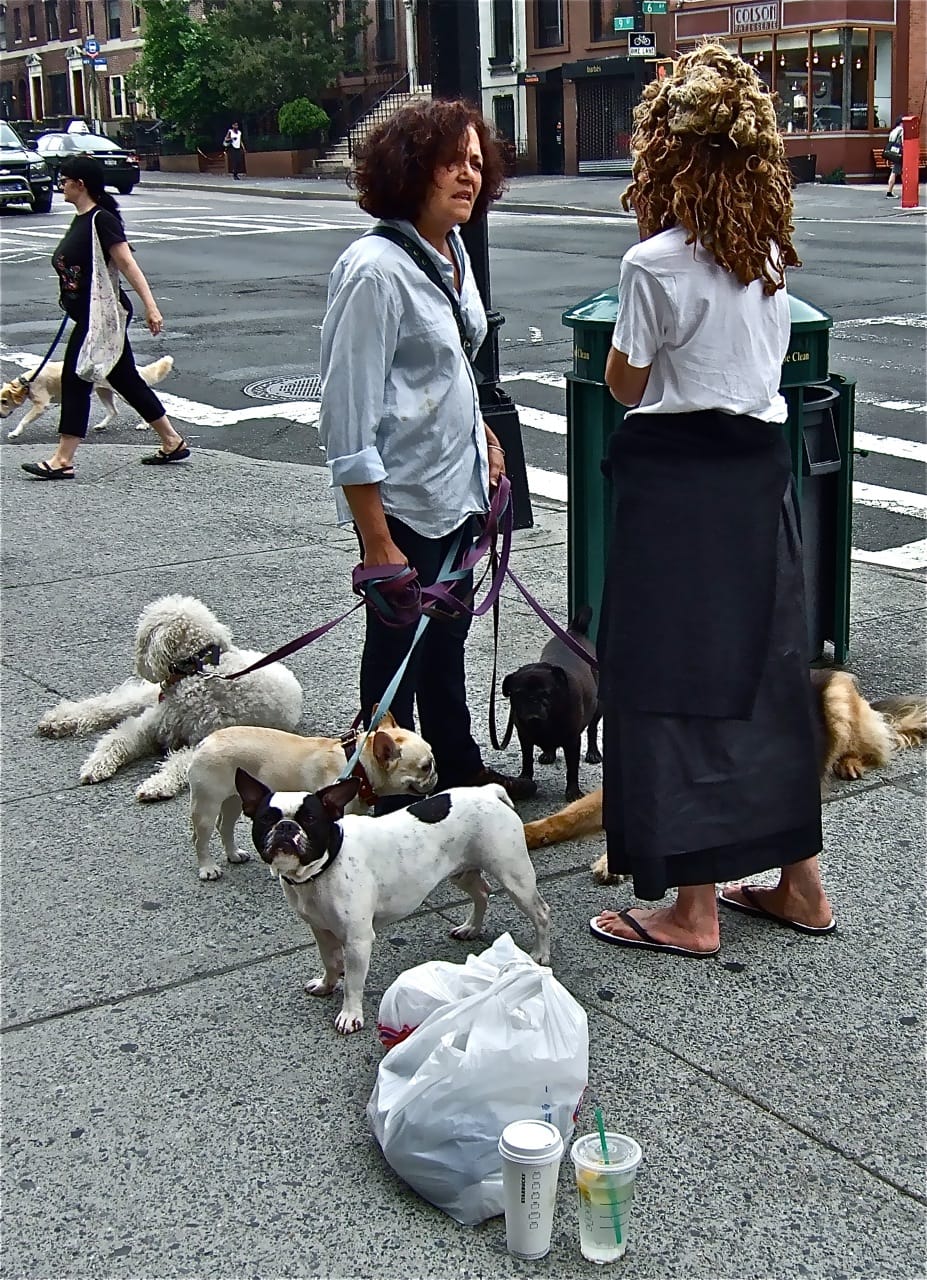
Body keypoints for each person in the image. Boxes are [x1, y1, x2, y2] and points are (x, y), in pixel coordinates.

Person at [590, 43, 834, 957]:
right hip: (757, 480)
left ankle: (691, 911)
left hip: (677, 488)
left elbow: (625, 382)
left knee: (672, 681)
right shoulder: (767, 254)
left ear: (664, 155)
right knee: (764, 677)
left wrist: (624, 359)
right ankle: (798, 883)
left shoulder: (652, 264)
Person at [317, 98, 534, 801]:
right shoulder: (374, 270)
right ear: (411, 168)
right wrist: (377, 543)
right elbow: (347, 415)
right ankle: (376, 785)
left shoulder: (452, 251)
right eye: (450, 161)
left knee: (445, 641)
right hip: (402, 496)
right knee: (395, 652)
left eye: (476, 161)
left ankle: (455, 767)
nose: (467, 175)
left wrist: (483, 435)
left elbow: (445, 372)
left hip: (457, 489)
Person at [22, 154, 188, 479]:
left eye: (64, 180)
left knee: (75, 380)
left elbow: (127, 265)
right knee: (126, 379)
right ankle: (172, 440)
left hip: (101, 318)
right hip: (89, 315)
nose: (60, 185)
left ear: (80, 184)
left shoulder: (101, 220)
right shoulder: (81, 218)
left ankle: (62, 459)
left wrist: (151, 307)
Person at [884, 117, 903, 197]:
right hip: (899, 153)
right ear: (901, 123)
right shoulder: (902, 131)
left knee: (898, 171)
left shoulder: (893, 131)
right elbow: (903, 142)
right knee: (895, 172)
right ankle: (889, 192)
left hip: (893, 152)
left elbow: (890, 142)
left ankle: (890, 191)